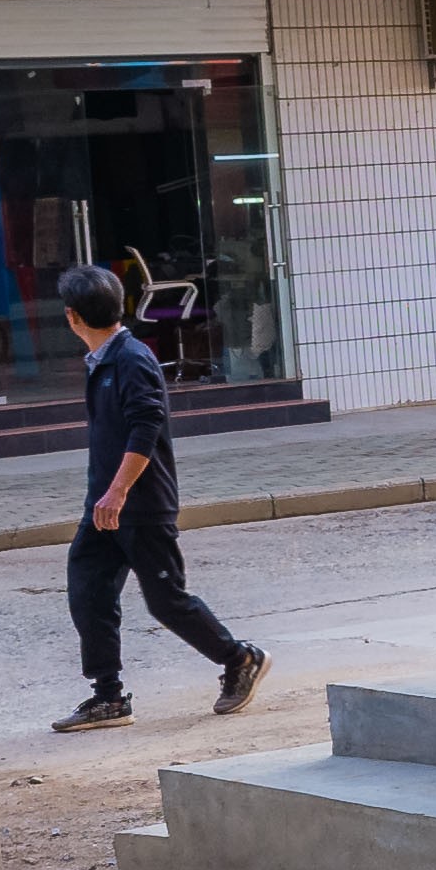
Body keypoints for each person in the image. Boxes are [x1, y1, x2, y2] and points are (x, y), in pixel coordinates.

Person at [52, 263, 267, 734]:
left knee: (166, 601)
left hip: (141, 506)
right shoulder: (103, 360)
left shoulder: (132, 359)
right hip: (104, 505)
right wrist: (104, 496)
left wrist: (117, 492)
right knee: (89, 592)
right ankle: (108, 697)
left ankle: (240, 659)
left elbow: (146, 426)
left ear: (72, 316)